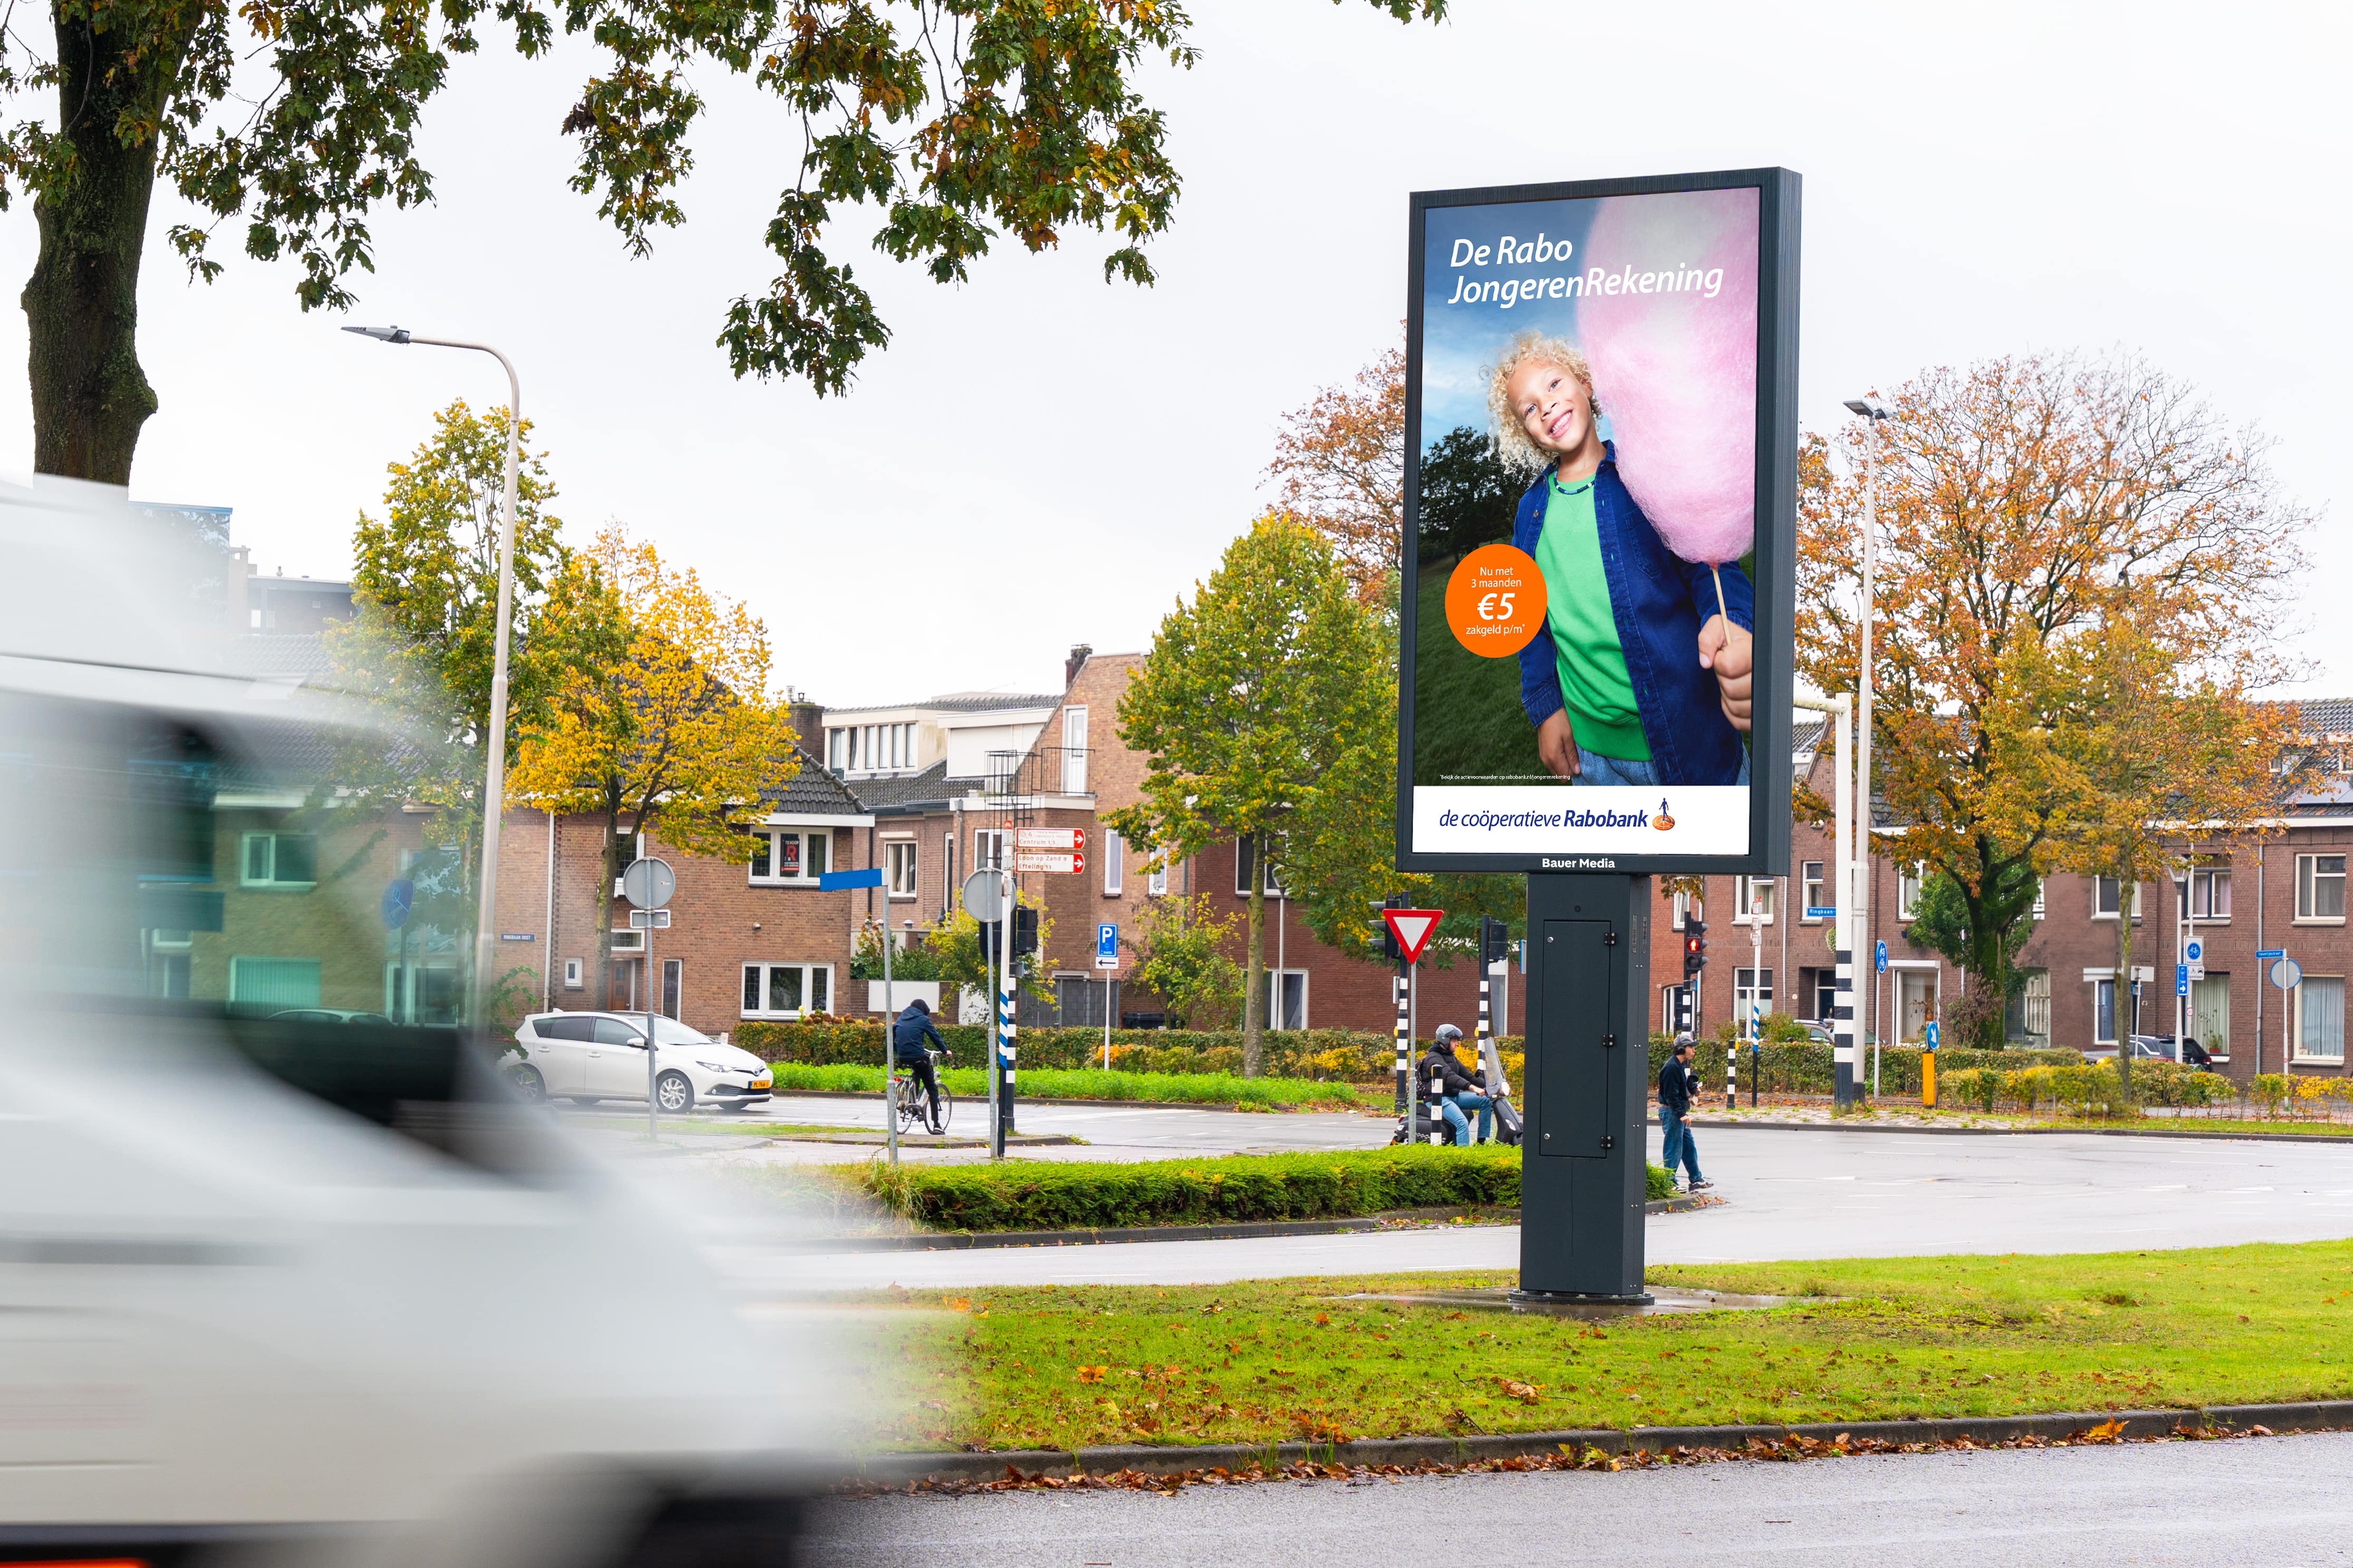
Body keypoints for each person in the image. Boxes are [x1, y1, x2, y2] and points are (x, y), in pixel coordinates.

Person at [1487, 334, 1755, 787]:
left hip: (1689, 739)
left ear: (1586, 384)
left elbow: (1708, 562)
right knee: (1622, 864)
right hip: (1593, 762)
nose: (1546, 407)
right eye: (1528, 409)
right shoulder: (1529, 513)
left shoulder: (1646, 472)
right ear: (1524, 433)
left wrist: (1731, 620)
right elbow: (1526, 619)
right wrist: (1545, 706)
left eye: (1553, 385)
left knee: (1717, 860)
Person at [1419, 1024, 1495, 1146]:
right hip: (1438, 1099)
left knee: (1486, 1101)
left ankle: (1481, 1142)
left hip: (1454, 1097)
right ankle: (1463, 1156)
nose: (1457, 1044)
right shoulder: (1433, 1059)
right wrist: (1472, 1088)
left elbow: (1468, 1076)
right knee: (1461, 1122)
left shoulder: (1451, 1057)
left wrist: (1492, 1085)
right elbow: (1449, 1077)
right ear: (1445, 1040)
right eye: (1454, 1041)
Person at [1656, 1036, 1709, 1192]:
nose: (1694, 1050)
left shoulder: (1680, 1065)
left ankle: (1696, 1179)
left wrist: (1692, 1089)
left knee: (1688, 1147)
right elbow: (1671, 1095)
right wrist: (1681, 1114)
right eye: (1691, 1047)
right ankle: (1669, 1183)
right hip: (1672, 1112)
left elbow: (1679, 1089)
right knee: (1674, 1147)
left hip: (1677, 1112)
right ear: (1681, 1049)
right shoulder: (1671, 1067)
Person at [892, 997, 950, 1133]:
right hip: (918, 1056)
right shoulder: (923, 1019)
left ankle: (913, 1102)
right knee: (932, 1087)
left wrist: (896, 1051)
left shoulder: (901, 1018)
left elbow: (891, 1035)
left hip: (902, 1056)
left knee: (917, 1069)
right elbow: (935, 1036)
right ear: (923, 1010)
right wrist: (945, 1050)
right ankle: (936, 1125)